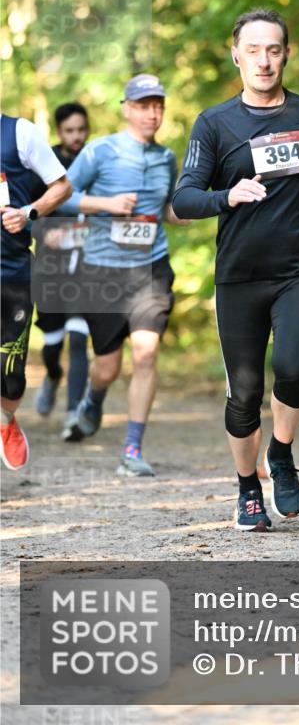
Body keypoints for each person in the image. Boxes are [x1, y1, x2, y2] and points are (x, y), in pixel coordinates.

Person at [173, 8, 299, 531]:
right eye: (252, 50)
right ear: (236, 56)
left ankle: (281, 452)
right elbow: (184, 199)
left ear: (287, 54)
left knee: (295, 371)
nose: (263, 60)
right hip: (240, 277)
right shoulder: (214, 123)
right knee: (245, 393)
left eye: (273, 49)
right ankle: (247, 487)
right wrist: (226, 196)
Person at [57, 74, 191, 477]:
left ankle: (132, 448)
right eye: (144, 105)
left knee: (146, 354)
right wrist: (106, 203)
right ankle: (93, 400)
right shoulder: (100, 150)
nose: (153, 113)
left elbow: (167, 209)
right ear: (127, 108)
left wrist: (203, 207)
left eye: (158, 106)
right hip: (103, 271)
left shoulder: (166, 158)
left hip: (151, 267)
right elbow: (60, 198)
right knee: (108, 367)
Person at [1, 113, 73, 470]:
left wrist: (29, 211)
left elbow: (62, 187)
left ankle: (6, 421)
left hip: (13, 272)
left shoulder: (20, 133)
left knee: (10, 376)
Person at [31, 102, 91, 440]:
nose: (77, 137)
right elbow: (26, 212)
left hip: (85, 268)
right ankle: (53, 377)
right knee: (53, 346)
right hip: (50, 270)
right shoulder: (43, 165)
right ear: (58, 132)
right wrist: (45, 233)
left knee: (80, 339)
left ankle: (74, 416)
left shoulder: (95, 159)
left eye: (81, 129)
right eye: (70, 131)